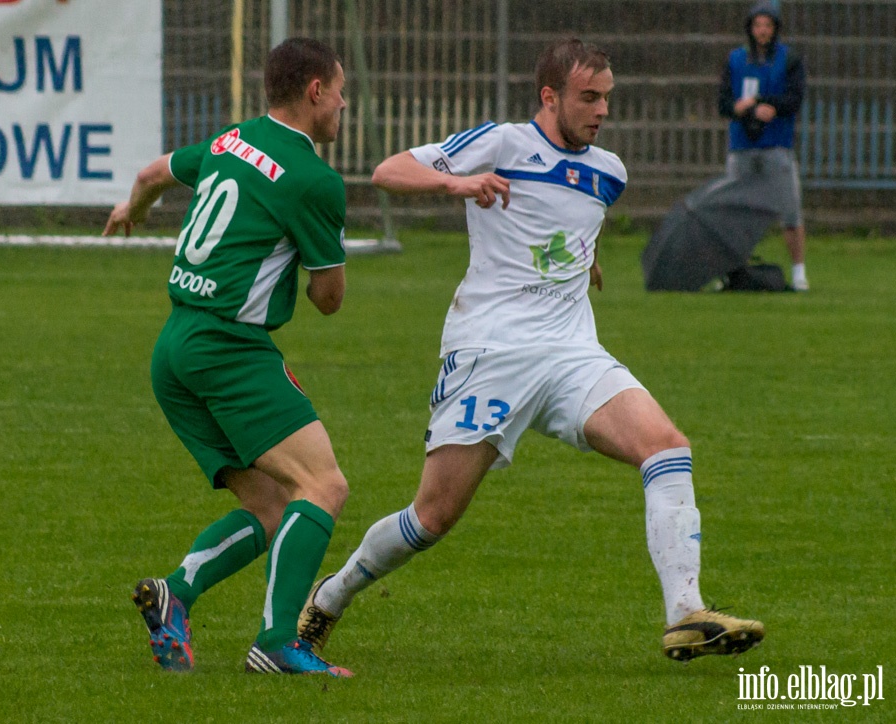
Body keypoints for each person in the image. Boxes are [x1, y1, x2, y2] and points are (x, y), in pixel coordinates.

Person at [297, 38, 765, 666]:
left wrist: (586, 258)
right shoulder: (504, 142)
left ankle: (685, 612)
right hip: (491, 352)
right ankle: (332, 594)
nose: (601, 110)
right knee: (431, 517)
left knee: (667, 447)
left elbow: (572, 221)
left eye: (606, 97)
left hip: (573, 353)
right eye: (588, 97)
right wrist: (458, 183)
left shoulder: (611, 170)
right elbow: (388, 171)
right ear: (550, 96)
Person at [103, 37, 354, 677]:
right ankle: (276, 643)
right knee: (323, 486)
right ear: (315, 92)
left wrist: (131, 211)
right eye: (342, 92)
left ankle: (174, 594)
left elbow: (150, 175)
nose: (344, 107)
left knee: (271, 506)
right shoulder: (313, 180)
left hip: (174, 348)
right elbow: (329, 301)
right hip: (228, 348)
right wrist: (318, 247)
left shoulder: (228, 140)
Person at [719, 1, 809, 290]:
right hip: (742, 146)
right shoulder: (736, 60)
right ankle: (732, 271)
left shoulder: (789, 59)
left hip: (776, 145)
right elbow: (723, 103)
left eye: (768, 26)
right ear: (750, 28)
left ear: (775, 29)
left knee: (790, 210)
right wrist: (741, 108)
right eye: (758, 25)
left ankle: (798, 271)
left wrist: (768, 106)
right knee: (735, 211)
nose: (762, 31)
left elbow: (795, 99)